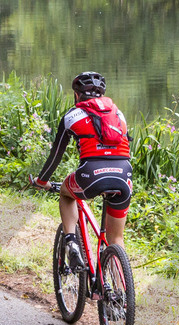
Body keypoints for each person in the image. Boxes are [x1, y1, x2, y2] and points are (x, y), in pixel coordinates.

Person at [33, 71, 132, 271]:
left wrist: (42, 181)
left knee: (66, 193)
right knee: (116, 238)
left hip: (91, 174)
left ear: (77, 95)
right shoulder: (118, 114)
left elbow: (56, 156)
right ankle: (120, 298)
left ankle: (71, 241)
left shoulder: (72, 115)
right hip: (123, 175)